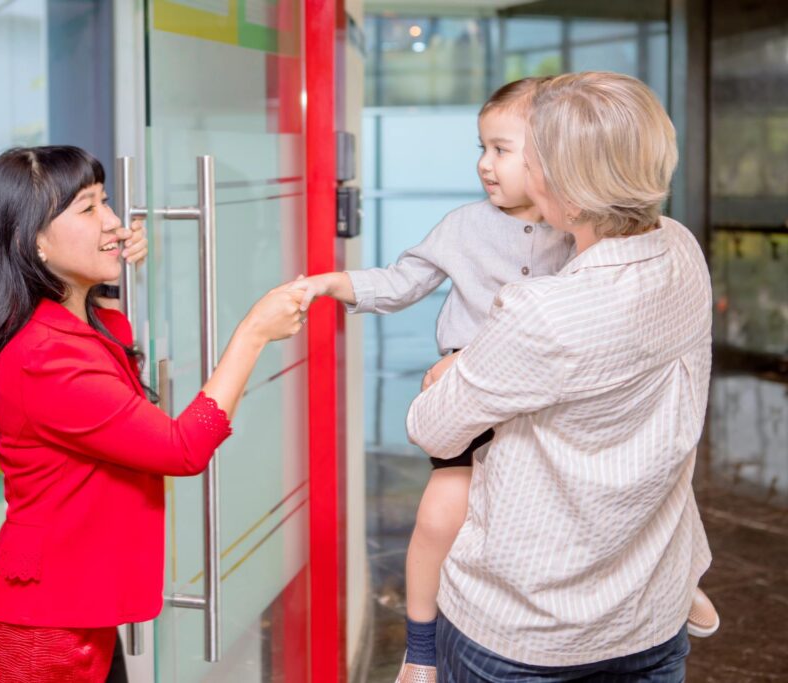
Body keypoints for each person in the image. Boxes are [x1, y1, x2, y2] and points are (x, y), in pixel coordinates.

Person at [408, 71, 715, 681]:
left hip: (527, 631)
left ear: (567, 183)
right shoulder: (681, 248)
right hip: (650, 611)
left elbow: (433, 429)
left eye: (531, 153)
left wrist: (461, 364)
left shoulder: (544, 311)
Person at [0, 146, 305, 682]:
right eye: (88, 209)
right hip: (41, 638)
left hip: (71, 615)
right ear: (35, 242)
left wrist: (112, 273)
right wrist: (253, 332)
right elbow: (180, 448)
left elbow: (111, 353)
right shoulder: (45, 357)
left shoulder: (71, 328)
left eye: (106, 203)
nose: (115, 222)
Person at [292, 77, 574, 680]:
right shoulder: (463, 226)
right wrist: (327, 284)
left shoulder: (582, 234)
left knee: (615, 483)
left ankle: (675, 578)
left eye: (501, 149)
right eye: (482, 148)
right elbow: (399, 282)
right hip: (472, 403)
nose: (484, 165)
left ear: (556, 154)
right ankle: (421, 647)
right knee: (442, 511)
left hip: (550, 405)